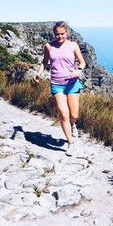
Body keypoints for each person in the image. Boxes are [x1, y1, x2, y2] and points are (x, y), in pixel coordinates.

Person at [34, 21, 86, 155]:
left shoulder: (73, 45)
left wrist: (78, 70)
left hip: (72, 83)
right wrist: (38, 73)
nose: (60, 37)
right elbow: (44, 62)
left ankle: (73, 124)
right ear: (54, 34)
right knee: (64, 114)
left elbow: (82, 62)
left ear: (66, 33)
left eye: (62, 34)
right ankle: (70, 143)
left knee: (74, 115)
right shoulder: (49, 46)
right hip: (57, 84)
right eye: (57, 34)